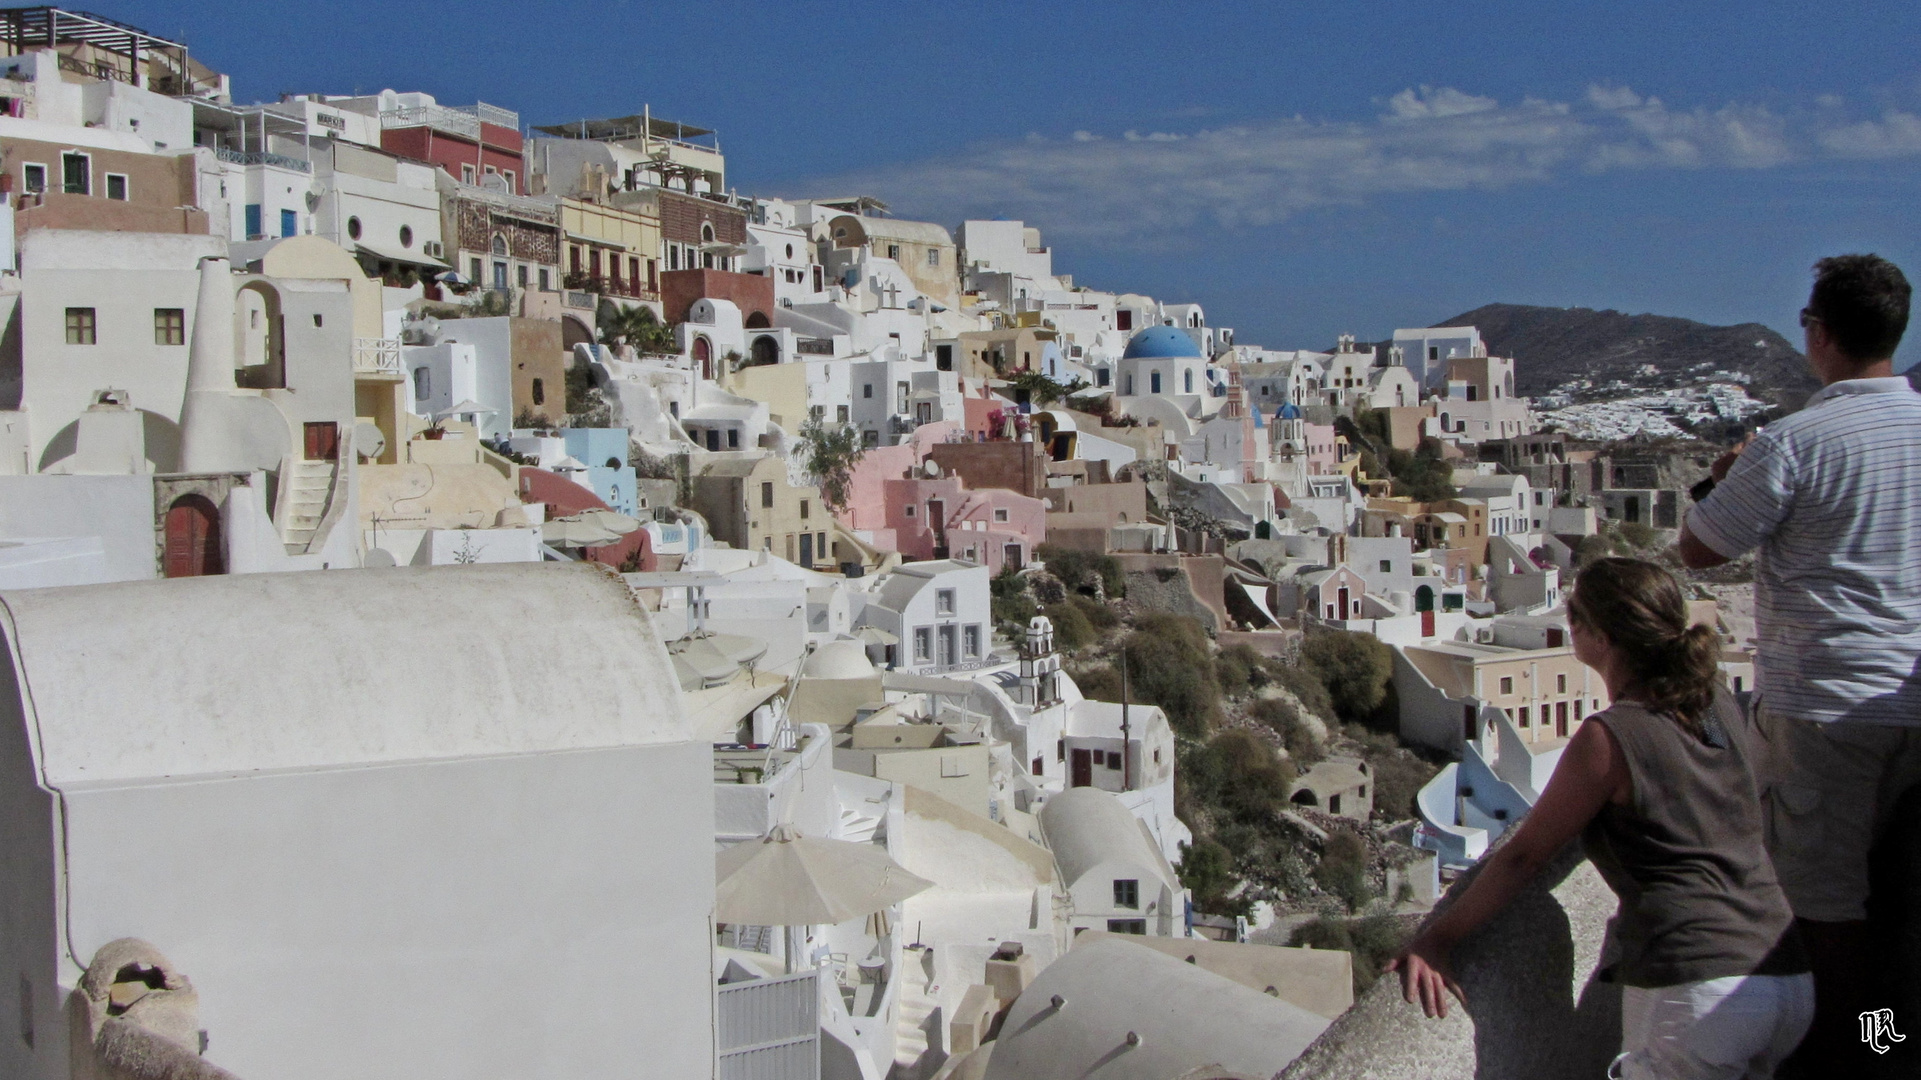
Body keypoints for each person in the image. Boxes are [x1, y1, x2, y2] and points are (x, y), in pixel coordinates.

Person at [1390, 558, 1811, 1079]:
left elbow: (1523, 855)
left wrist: (1437, 939)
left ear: (1600, 636)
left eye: (1575, 616)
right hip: (1784, 973)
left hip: (1698, 985)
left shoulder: (1608, 739)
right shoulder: (1717, 704)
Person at [1676, 254, 1918, 1069]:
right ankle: (1889, 1038)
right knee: (1895, 896)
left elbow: (1700, 550)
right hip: (1910, 699)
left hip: (1825, 707)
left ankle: (1859, 1054)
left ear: (1818, 335)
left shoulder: (1796, 442)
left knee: (1826, 905)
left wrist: (1722, 483)